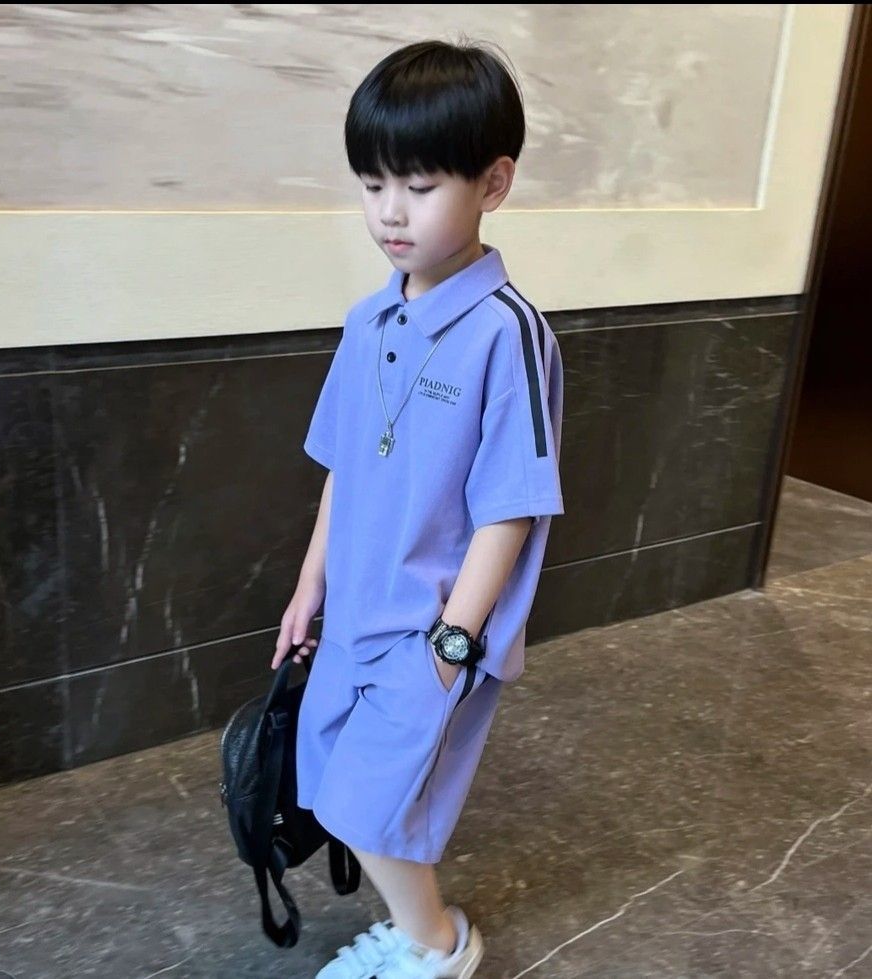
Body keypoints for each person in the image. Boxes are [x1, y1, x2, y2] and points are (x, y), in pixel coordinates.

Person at [270, 37, 565, 979]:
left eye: (421, 185)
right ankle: (420, 932)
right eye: (373, 184)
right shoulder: (368, 322)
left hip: (431, 627)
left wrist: (453, 643)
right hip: (353, 613)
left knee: (373, 797)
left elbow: (511, 508)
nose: (390, 211)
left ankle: (438, 944)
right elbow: (343, 468)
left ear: (494, 183)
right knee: (335, 781)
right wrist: (308, 588)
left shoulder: (509, 334)